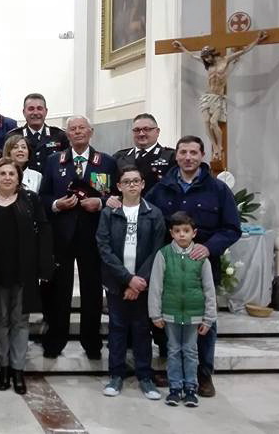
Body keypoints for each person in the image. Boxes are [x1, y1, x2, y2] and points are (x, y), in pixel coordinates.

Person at [146, 135, 239, 398]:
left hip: (203, 265)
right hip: (170, 265)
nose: (188, 157)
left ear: (201, 156)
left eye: (193, 153)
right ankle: (171, 366)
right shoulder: (161, 187)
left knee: (204, 322)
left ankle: (203, 374)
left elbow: (232, 228)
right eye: (183, 152)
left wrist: (209, 247)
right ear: (175, 156)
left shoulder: (218, 190)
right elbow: (147, 216)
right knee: (168, 318)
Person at [38, 116, 117, 359]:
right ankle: (55, 340)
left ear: (91, 132)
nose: (78, 132)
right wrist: (56, 204)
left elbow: (117, 195)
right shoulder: (54, 161)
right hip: (61, 236)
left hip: (93, 236)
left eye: (82, 128)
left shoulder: (106, 162)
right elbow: (43, 197)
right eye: (73, 129)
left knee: (92, 290)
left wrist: (101, 202)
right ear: (67, 134)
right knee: (58, 290)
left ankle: (92, 342)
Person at [0, 158, 53, 396]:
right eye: (3, 173)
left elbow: (44, 232)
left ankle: (18, 370)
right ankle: (4, 367)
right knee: (1, 319)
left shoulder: (30, 200)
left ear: (19, 177)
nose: (7, 177)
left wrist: (44, 266)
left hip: (24, 269)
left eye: (12, 173)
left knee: (20, 319)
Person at [96, 166, 165, 401]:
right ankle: (116, 375)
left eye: (136, 181)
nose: (132, 185)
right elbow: (104, 248)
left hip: (143, 284)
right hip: (117, 282)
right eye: (127, 181)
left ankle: (145, 377)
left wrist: (139, 281)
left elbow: (157, 250)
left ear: (143, 184)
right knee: (117, 329)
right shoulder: (109, 213)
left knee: (141, 329)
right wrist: (127, 279)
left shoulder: (154, 213)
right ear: (119, 186)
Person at [148, 211, 218, 408]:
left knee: (190, 351)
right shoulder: (163, 255)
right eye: (177, 231)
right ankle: (175, 389)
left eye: (186, 231)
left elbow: (209, 289)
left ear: (194, 233)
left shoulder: (201, 257)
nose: (181, 235)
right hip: (170, 313)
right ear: (171, 233)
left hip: (194, 315)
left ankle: (190, 389)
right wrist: (155, 313)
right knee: (172, 350)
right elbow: (156, 286)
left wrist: (208, 318)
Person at [172, 32, 267, 161]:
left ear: (212, 54)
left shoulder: (225, 60)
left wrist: (257, 40)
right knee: (206, 122)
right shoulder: (208, 65)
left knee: (213, 123)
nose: (206, 60)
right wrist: (181, 47)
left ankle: (220, 146)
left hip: (217, 97)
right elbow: (192, 56)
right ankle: (215, 146)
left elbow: (244, 51)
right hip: (207, 97)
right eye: (204, 58)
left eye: (207, 57)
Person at [112, 113, 176, 197]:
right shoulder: (119, 157)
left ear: (157, 132)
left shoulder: (171, 156)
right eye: (137, 130)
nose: (141, 134)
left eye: (146, 129)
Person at [6, 93, 68, 172]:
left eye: (39, 108)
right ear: (24, 112)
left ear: (46, 111)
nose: (35, 113)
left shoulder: (59, 135)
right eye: (31, 109)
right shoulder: (13, 136)